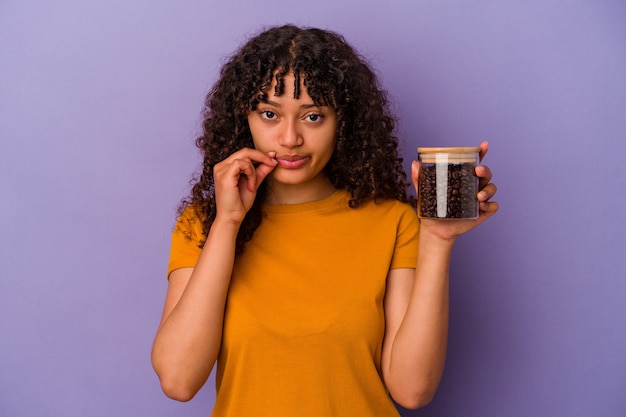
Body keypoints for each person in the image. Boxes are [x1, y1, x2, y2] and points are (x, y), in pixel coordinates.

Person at [151, 24, 498, 416]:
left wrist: (438, 238)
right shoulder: (203, 223)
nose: (289, 138)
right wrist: (228, 222)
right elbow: (178, 381)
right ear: (242, 118)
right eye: (269, 114)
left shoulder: (393, 222)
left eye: (313, 116)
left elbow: (411, 390)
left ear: (342, 122)